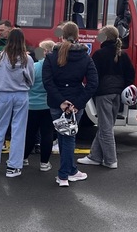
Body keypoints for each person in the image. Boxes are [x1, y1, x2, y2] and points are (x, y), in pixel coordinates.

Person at [42, 21, 98, 187]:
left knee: (64, 137)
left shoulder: (52, 56)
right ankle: (65, 175)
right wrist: (77, 104)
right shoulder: (85, 57)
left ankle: (69, 171)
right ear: (78, 35)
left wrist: (61, 101)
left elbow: (47, 81)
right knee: (68, 137)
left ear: (61, 35)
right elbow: (93, 83)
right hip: (75, 103)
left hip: (56, 103)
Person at [78, 25, 135, 169]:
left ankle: (111, 160)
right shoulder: (123, 54)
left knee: (105, 128)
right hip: (118, 94)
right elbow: (130, 75)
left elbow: (93, 76)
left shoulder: (99, 54)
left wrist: (92, 91)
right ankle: (95, 157)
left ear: (105, 37)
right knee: (107, 125)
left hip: (103, 94)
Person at [0, 29, 34, 177]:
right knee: (18, 130)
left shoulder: (0, 56)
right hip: (21, 94)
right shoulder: (27, 58)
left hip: (3, 94)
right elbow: (30, 79)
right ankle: (13, 166)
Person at [24, 39, 56, 172]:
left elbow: (27, 83)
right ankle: (44, 163)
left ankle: (24, 158)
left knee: (29, 133)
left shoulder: (35, 66)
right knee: (47, 134)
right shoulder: (55, 68)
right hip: (47, 105)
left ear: (44, 51)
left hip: (31, 105)